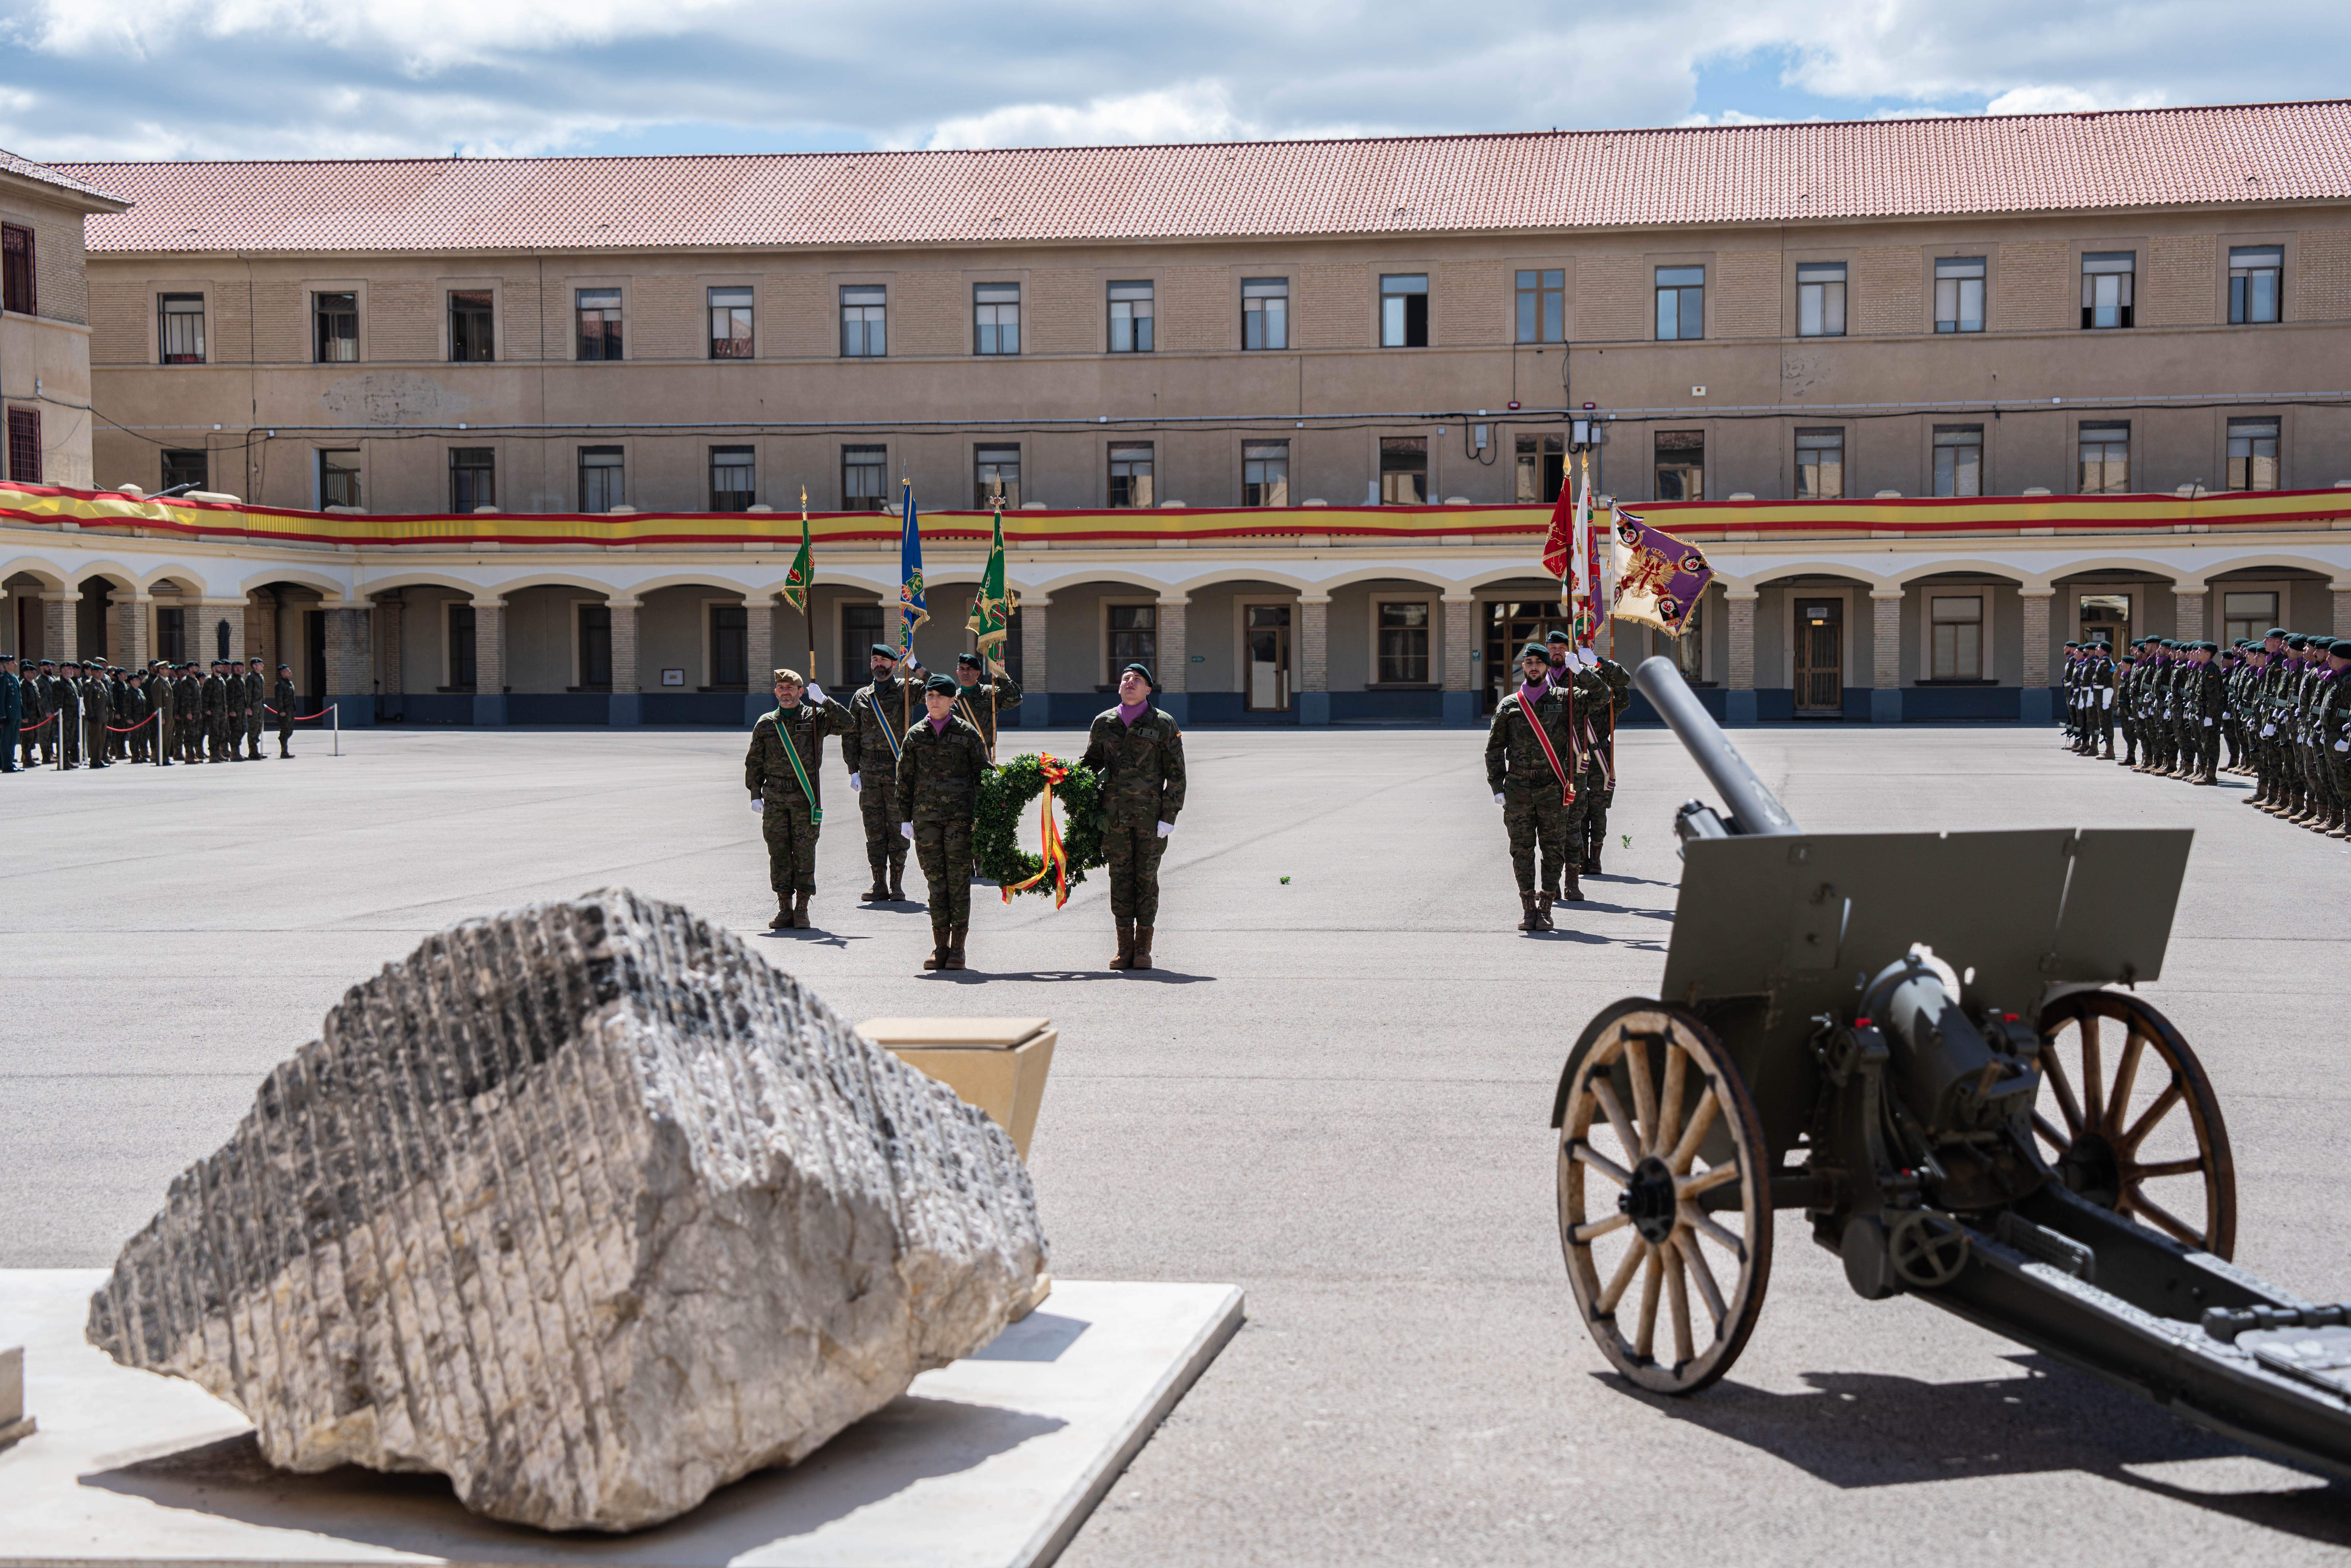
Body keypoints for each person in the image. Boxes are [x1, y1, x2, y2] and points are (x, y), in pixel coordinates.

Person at [1082, 661, 1187, 971]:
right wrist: (1066, 783)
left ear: (1148, 689)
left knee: (1146, 879)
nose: (1130, 682)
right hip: (1113, 818)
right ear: (1119, 688)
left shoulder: (1163, 723)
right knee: (1120, 879)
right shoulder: (1104, 723)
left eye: (1137, 679)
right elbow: (1090, 765)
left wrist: (1169, 815)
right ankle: (1124, 948)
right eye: (1126, 678)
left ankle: (1143, 949)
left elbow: (1177, 775)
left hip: (1150, 819)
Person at [744, 667, 855, 931]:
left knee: (805, 851)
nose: (786, 693)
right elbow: (754, 761)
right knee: (778, 851)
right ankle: (785, 908)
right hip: (775, 797)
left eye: (791, 689)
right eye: (781, 689)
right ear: (776, 693)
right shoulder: (766, 724)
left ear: (801, 692)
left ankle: (802, 908)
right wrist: (755, 794)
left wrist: (825, 701)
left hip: (805, 796)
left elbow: (848, 724)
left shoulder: (815, 717)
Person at [894, 671, 990, 971]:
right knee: (936, 884)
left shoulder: (967, 734)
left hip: (960, 820)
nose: (934, 701)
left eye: (940, 697)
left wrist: (986, 815)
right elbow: (904, 779)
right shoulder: (915, 736)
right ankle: (940, 947)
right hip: (926, 821)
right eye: (930, 696)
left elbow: (983, 775)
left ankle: (958, 948)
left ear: (952, 700)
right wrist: (905, 818)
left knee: (958, 883)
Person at [1487, 643, 1583, 930]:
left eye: (1538, 663)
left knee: (1553, 850)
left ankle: (1546, 908)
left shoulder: (1564, 699)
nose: (1533, 667)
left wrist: (1582, 671)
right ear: (1523, 667)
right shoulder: (1509, 706)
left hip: (1552, 786)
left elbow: (1602, 698)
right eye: (1528, 662)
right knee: (1521, 849)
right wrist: (1497, 787)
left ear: (1547, 667)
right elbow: (1494, 750)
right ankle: (1528, 910)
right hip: (1518, 787)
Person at [840, 643, 916, 903]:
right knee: (873, 829)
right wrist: (853, 771)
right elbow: (851, 735)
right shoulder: (862, 696)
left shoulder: (907, 689)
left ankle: (897, 884)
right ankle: (879, 883)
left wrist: (916, 667)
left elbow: (938, 688)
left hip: (897, 770)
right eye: (875, 660)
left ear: (894, 664)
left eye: (884, 660)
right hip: (869, 772)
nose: (878, 664)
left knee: (898, 828)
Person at [951, 652, 1022, 757]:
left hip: (984, 754)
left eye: (969, 669)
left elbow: (1015, 699)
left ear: (978, 673)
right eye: (962, 669)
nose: (965, 672)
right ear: (958, 673)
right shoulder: (952, 698)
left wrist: (1000, 675)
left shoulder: (990, 694)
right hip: (959, 755)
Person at [80, 660, 111, 769]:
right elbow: (88, 701)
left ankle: (99, 759)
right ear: (92, 672)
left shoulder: (101, 684)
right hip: (95, 716)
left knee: (102, 739)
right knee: (95, 740)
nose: (100, 674)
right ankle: (94, 761)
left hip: (103, 716)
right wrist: (91, 715)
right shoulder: (89, 685)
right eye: (98, 672)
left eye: (102, 672)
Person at [244, 659, 266, 760]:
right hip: (253, 707)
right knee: (253, 728)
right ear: (254, 666)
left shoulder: (261, 677)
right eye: (260, 664)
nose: (262, 665)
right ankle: (252, 752)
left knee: (258, 728)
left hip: (260, 707)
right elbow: (248, 693)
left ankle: (256, 751)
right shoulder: (251, 677)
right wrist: (248, 707)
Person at [274, 664, 298, 757]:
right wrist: (281, 711)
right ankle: (284, 752)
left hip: (291, 711)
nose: (290, 672)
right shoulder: (280, 684)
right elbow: (279, 699)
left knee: (290, 730)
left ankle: (285, 749)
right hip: (285, 712)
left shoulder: (290, 683)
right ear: (282, 673)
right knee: (285, 730)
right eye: (287, 671)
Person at [0, 652, 18, 774]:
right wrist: (3, 715)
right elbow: (1, 699)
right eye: (13, 663)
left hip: (15, 714)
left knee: (12, 740)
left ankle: (10, 762)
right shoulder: (4, 679)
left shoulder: (13, 678)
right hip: (8, 714)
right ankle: (6, 764)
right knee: (7, 740)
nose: (16, 665)